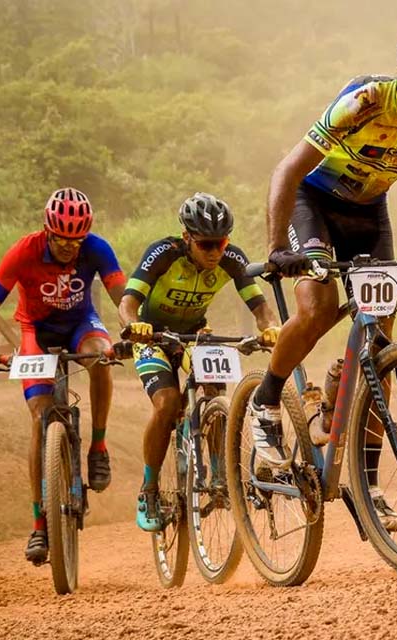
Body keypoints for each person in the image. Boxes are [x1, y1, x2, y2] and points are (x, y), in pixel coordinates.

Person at [249, 22, 397, 531]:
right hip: (315, 203)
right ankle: (266, 401)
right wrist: (279, 249)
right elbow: (287, 171)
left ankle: (367, 483)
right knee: (319, 308)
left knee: (380, 345)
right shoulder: (365, 101)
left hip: (369, 212)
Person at [0, 187, 126, 563]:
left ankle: (98, 447)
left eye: (77, 239)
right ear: (47, 230)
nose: (71, 247)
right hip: (35, 331)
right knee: (40, 418)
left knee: (101, 358)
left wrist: (131, 330)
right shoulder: (23, 251)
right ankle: (39, 524)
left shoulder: (97, 248)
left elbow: (123, 297)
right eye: (62, 239)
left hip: (80, 325)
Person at [118, 192, 281, 532]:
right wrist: (133, 326)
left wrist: (270, 328)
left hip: (195, 332)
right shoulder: (162, 254)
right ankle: (148, 490)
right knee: (166, 404)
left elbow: (260, 308)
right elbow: (128, 302)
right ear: (187, 238)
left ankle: (220, 474)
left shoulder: (231, 258)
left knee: (213, 386)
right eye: (205, 244)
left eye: (220, 244)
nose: (214, 253)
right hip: (154, 337)